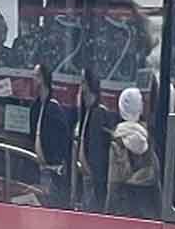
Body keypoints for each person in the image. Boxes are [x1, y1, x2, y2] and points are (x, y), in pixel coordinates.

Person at [106, 87, 159, 218]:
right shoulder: (148, 138)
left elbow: (113, 184)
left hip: (124, 212)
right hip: (147, 212)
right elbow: (157, 178)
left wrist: (107, 214)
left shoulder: (118, 140)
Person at [72, 68, 116, 212]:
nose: (80, 87)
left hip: (94, 179)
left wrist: (96, 177)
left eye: (83, 82)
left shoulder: (98, 113)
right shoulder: (87, 112)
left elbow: (98, 150)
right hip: (85, 177)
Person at [30, 63, 72, 208]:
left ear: (42, 79)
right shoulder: (36, 106)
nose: (33, 79)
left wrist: (56, 159)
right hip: (39, 165)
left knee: (51, 203)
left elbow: (63, 137)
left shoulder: (54, 108)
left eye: (35, 76)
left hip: (52, 167)